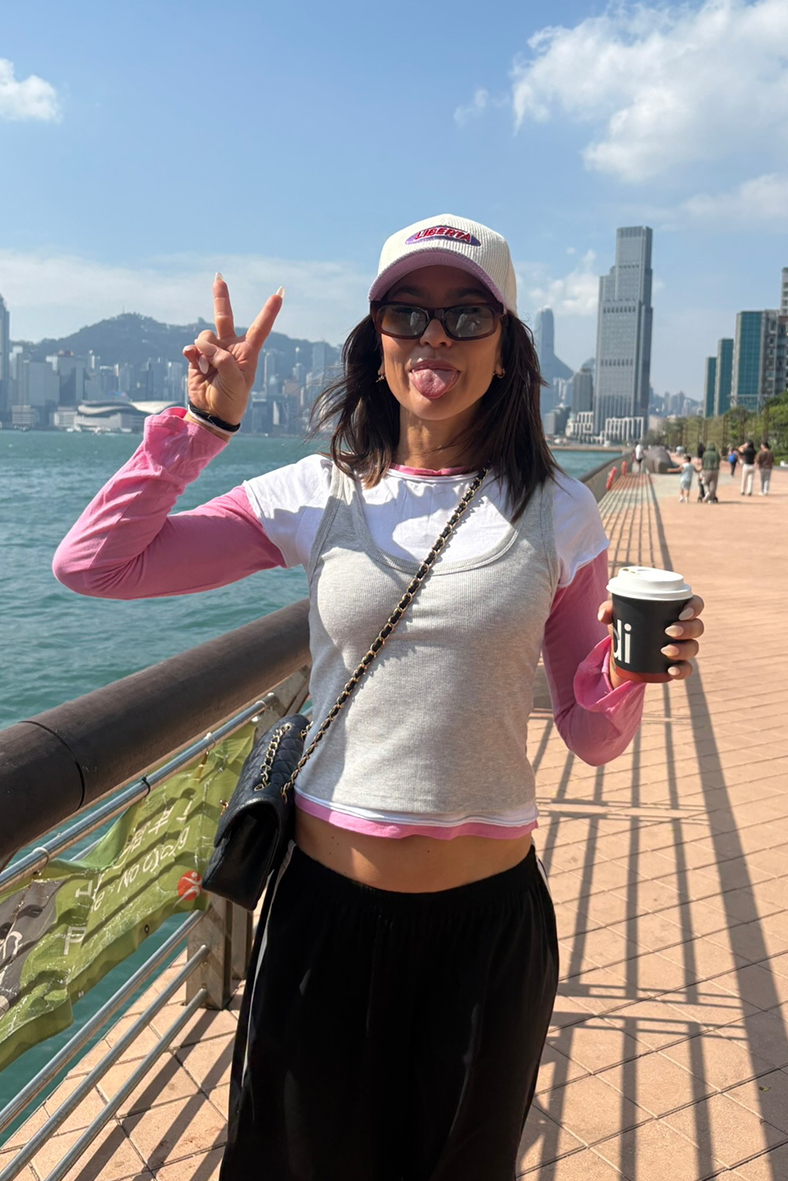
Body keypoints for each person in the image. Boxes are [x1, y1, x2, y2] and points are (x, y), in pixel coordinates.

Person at [52, 214, 705, 1181]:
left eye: (465, 314)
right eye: (408, 312)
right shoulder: (322, 489)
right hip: (326, 920)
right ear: (377, 344)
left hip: (489, 934)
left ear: (508, 347)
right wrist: (201, 429)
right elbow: (97, 566)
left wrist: (627, 674)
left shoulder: (562, 511)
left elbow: (592, 737)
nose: (433, 336)